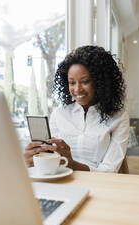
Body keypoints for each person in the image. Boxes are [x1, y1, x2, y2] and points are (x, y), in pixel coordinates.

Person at [25, 45, 129, 173]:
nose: (77, 89)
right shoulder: (59, 114)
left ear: (101, 82)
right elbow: (50, 159)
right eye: (72, 82)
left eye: (85, 81)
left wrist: (72, 164)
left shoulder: (119, 117)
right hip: (62, 181)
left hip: (99, 184)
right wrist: (34, 159)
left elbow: (109, 170)